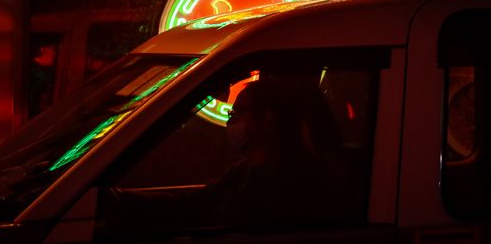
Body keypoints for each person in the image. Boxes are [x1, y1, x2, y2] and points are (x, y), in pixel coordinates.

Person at [98, 77, 347, 234]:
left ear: (268, 119)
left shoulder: (289, 183)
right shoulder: (244, 171)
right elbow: (195, 202)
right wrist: (122, 201)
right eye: (230, 115)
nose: (231, 123)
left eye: (237, 115)